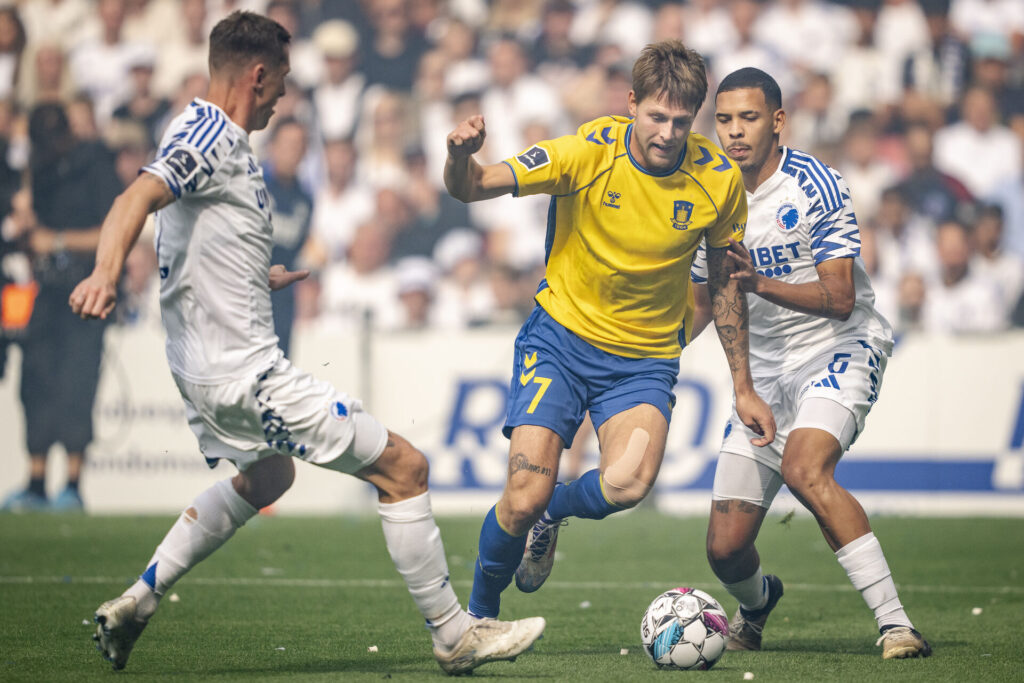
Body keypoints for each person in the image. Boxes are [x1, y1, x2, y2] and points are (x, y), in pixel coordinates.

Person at [68, 11, 543, 675]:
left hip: (205, 369)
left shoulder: (205, 134)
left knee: (269, 474)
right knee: (405, 469)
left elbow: (195, 237)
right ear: (256, 76)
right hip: (244, 373)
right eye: (282, 81)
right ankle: (453, 634)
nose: (286, 95)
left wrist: (260, 274)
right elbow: (135, 198)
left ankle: (139, 599)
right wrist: (103, 271)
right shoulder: (209, 133)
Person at [443, 40, 776, 621]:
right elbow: (472, 186)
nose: (668, 133)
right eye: (655, 117)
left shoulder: (718, 181)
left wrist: (743, 384)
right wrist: (458, 156)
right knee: (520, 499)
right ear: (631, 105)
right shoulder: (585, 153)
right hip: (561, 341)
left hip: (643, 359)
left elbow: (723, 285)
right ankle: (476, 619)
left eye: (680, 121)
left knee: (626, 485)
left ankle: (554, 514)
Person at [690, 67, 931, 660]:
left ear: (777, 121)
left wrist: (761, 282)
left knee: (805, 468)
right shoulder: (702, 190)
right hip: (765, 370)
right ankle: (757, 604)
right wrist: (646, 352)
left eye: (748, 118)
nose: (735, 132)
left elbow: (840, 296)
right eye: (724, 119)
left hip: (839, 345)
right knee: (723, 548)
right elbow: (702, 300)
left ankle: (896, 625)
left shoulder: (816, 184)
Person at [2, 102, 121, 512]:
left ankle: (72, 484)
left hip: (86, 291)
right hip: (44, 293)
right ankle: (35, 482)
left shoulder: (96, 164)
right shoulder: (40, 170)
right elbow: (30, 227)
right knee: (34, 383)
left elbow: (113, 229)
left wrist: (53, 240)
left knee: (76, 384)